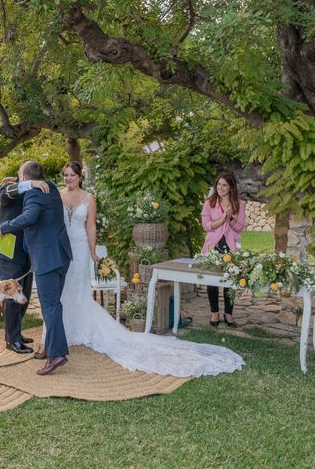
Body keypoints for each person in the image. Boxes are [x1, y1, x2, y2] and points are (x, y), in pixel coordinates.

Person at [37, 162, 244, 378]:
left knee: (78, 290)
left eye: (72, 175)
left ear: (80, 177)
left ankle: (79, 330)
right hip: (61, 247)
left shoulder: (89, 198)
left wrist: (92, 252)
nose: (68, 178)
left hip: (79, 247)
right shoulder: (56, 194)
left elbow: (90, 226)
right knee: (60, 292)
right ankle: (62, 333)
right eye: (65, 175)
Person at [0, 160, 73, 376]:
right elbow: (12, 191)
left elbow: (30, 217)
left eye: (20, 175)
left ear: (23, 176)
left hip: (47, 257)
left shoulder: (35, 192)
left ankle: (56, 353)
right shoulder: (50, 188)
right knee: (53, 304)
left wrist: (5, 227)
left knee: (50, 306)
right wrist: (30, 184)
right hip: (59, 255)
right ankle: (48, 346)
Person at [0, 168, 51, 355]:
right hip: (8, 253)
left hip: (26, 253)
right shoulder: (8, 189)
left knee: (24, 296)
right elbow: (11, 191)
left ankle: (16, 333)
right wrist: (31, 183)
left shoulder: (31, 193)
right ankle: (12, 340)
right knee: (13, 297)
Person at [201, 171, 246, 327]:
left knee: (230, 280)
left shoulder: (239, 205)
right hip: (213, 245)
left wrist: (231, 217)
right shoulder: (209, 203)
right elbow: (206, 226)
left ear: (231, 187)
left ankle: (229, 313)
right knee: (212, 280)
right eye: (219, 184)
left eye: (224, 185)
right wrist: (222, 219)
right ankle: (214, 313)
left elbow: (239, 228)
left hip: (231, 246)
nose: (220, 187)